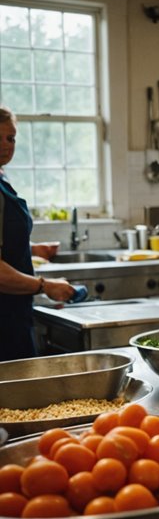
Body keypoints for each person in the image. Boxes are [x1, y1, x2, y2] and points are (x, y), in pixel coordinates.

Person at [0, 106, 75, 360]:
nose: (5, 145)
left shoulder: (2, 178)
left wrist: (31, 249)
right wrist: (45, 286)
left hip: (14, 314)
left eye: (10, 138)